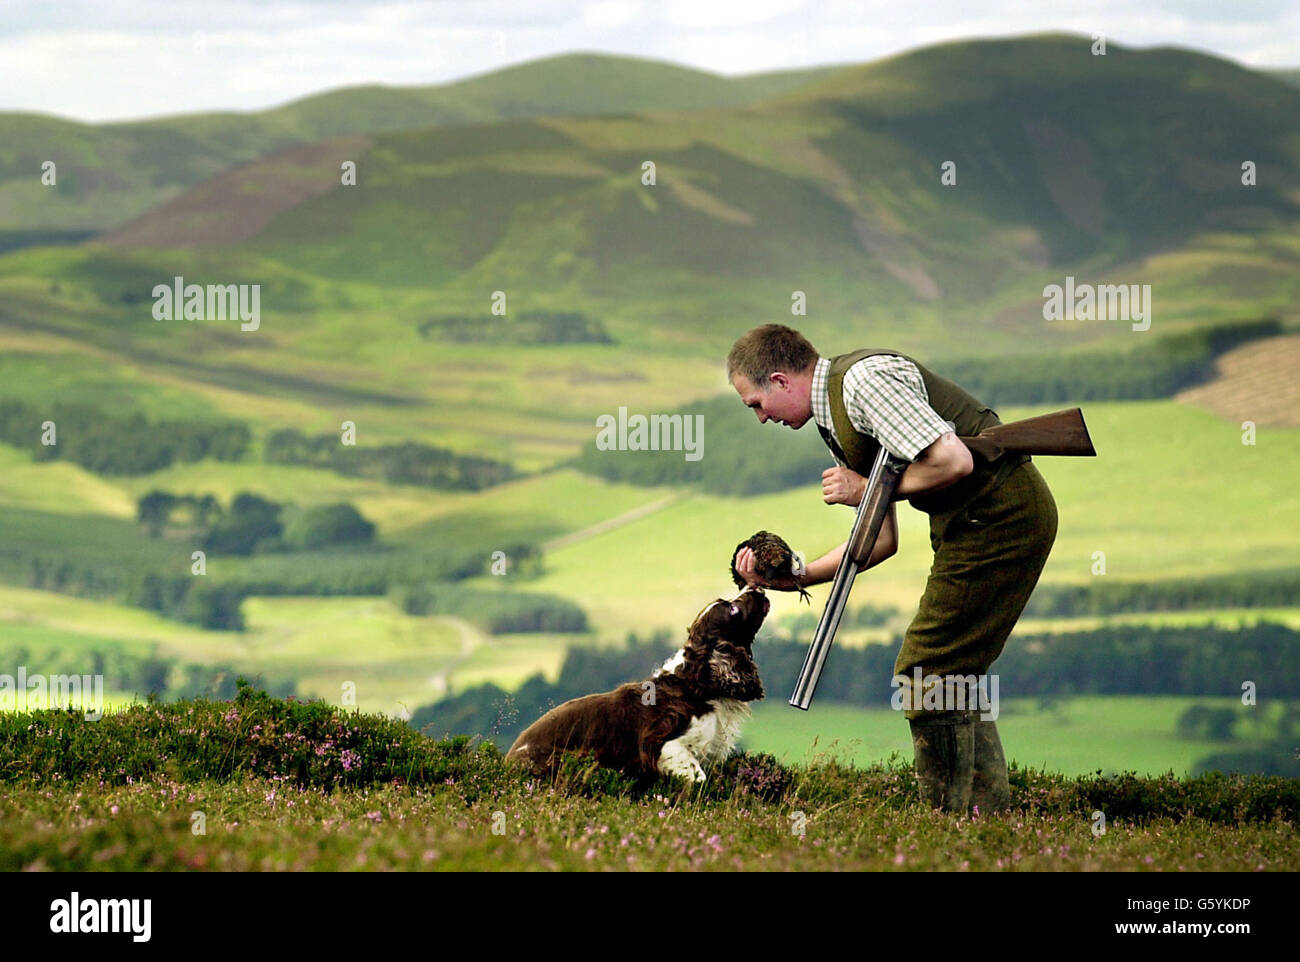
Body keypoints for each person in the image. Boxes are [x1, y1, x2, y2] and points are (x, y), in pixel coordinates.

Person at [727, 324, 1058, 814]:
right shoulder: (834, 416)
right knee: (949, 669)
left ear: (779, 380)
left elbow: (954, 461)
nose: (760, 417)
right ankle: (983, 818)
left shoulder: (863, 384)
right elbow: (880, 540)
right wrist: (795, 576)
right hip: (971, 523)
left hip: (999, 517)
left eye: (756, 403)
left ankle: (952, 819)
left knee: (928, 669)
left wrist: (866, 490)